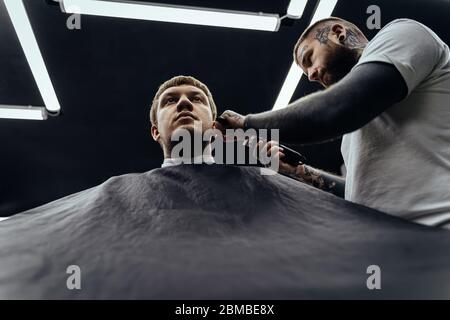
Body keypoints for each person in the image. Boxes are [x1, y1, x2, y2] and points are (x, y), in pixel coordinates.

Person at [218, 17, 450, 228]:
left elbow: (335, 109)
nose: (310, 75)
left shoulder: (403, 34)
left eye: (309, 58)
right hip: (393, 249)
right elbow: (353, 196)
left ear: (338, 32)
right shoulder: (351, 137)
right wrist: (296, 171)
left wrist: (247, 123)